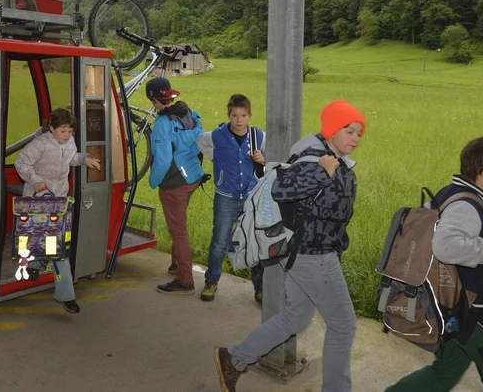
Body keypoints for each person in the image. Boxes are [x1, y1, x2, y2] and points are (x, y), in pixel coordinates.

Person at [214, 100, 365, 392]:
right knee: (343, 326)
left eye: (359, 133)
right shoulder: (317, 159)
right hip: (313, 255)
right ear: (332, 130)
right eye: (349, 131)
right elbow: (281, 189)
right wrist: (323, 173)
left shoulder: (333, 157)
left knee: (296, 316)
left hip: (306, 251)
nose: (356, 138)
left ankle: (234, 358)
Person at [384, 136, 483, 392]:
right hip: (477, 310)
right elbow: (445, 246)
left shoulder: (450, 193)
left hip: (451, 308)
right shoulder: (467, 206)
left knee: (442, 375)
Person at [13, 108, 102, 314]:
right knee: (46, 242)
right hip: (38, 198)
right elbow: (21, 162)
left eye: (71, 131)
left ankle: (50, 279)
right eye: (63, 131)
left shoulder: (69, 142)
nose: (67, 135)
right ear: (51, 128)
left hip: (59, 199)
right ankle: (54, 282)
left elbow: (69, 158)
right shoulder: (40, 144)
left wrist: (83, 160)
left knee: (53, 243)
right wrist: (36, 182)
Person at [195, 93, 266, 303]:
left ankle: (260, 287)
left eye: (243, 115)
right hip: (225, 197)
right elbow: (200, 141)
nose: (238, 120)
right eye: (234, 115)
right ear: (229, 115)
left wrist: (263, 159)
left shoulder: (259, 136)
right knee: (219, 241)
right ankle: (211, 281)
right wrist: (216, 158)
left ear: (249, 115)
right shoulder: (217, 135)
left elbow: (272, 160)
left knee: (254, 241)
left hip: (252, 198)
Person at [146, 76, 206, 295]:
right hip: (193, 177)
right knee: (177, 224)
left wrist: (153, 181)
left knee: (178, 231)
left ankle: (185, 280)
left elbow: (161, 161)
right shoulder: (189, 113)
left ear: (153, 99)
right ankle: (175, 264)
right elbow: (201, 141)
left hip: (174, 182)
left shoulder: (162, 124)